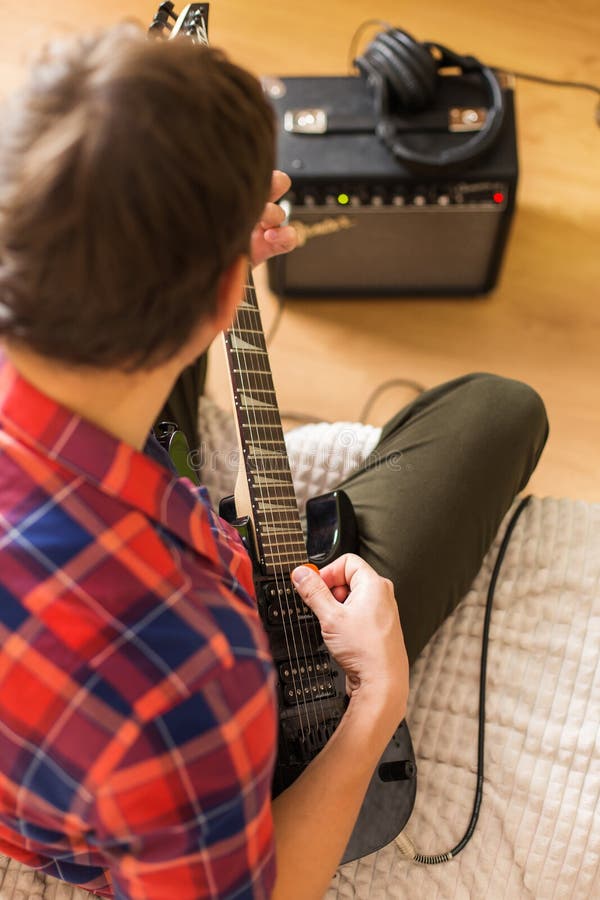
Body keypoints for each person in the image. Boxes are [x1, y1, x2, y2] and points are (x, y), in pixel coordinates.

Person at [0, 23, 548, 900]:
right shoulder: (185, 674)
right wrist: (374, 704)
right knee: (501, 410)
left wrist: (187, 252)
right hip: (166, 747)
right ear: (230, 293)